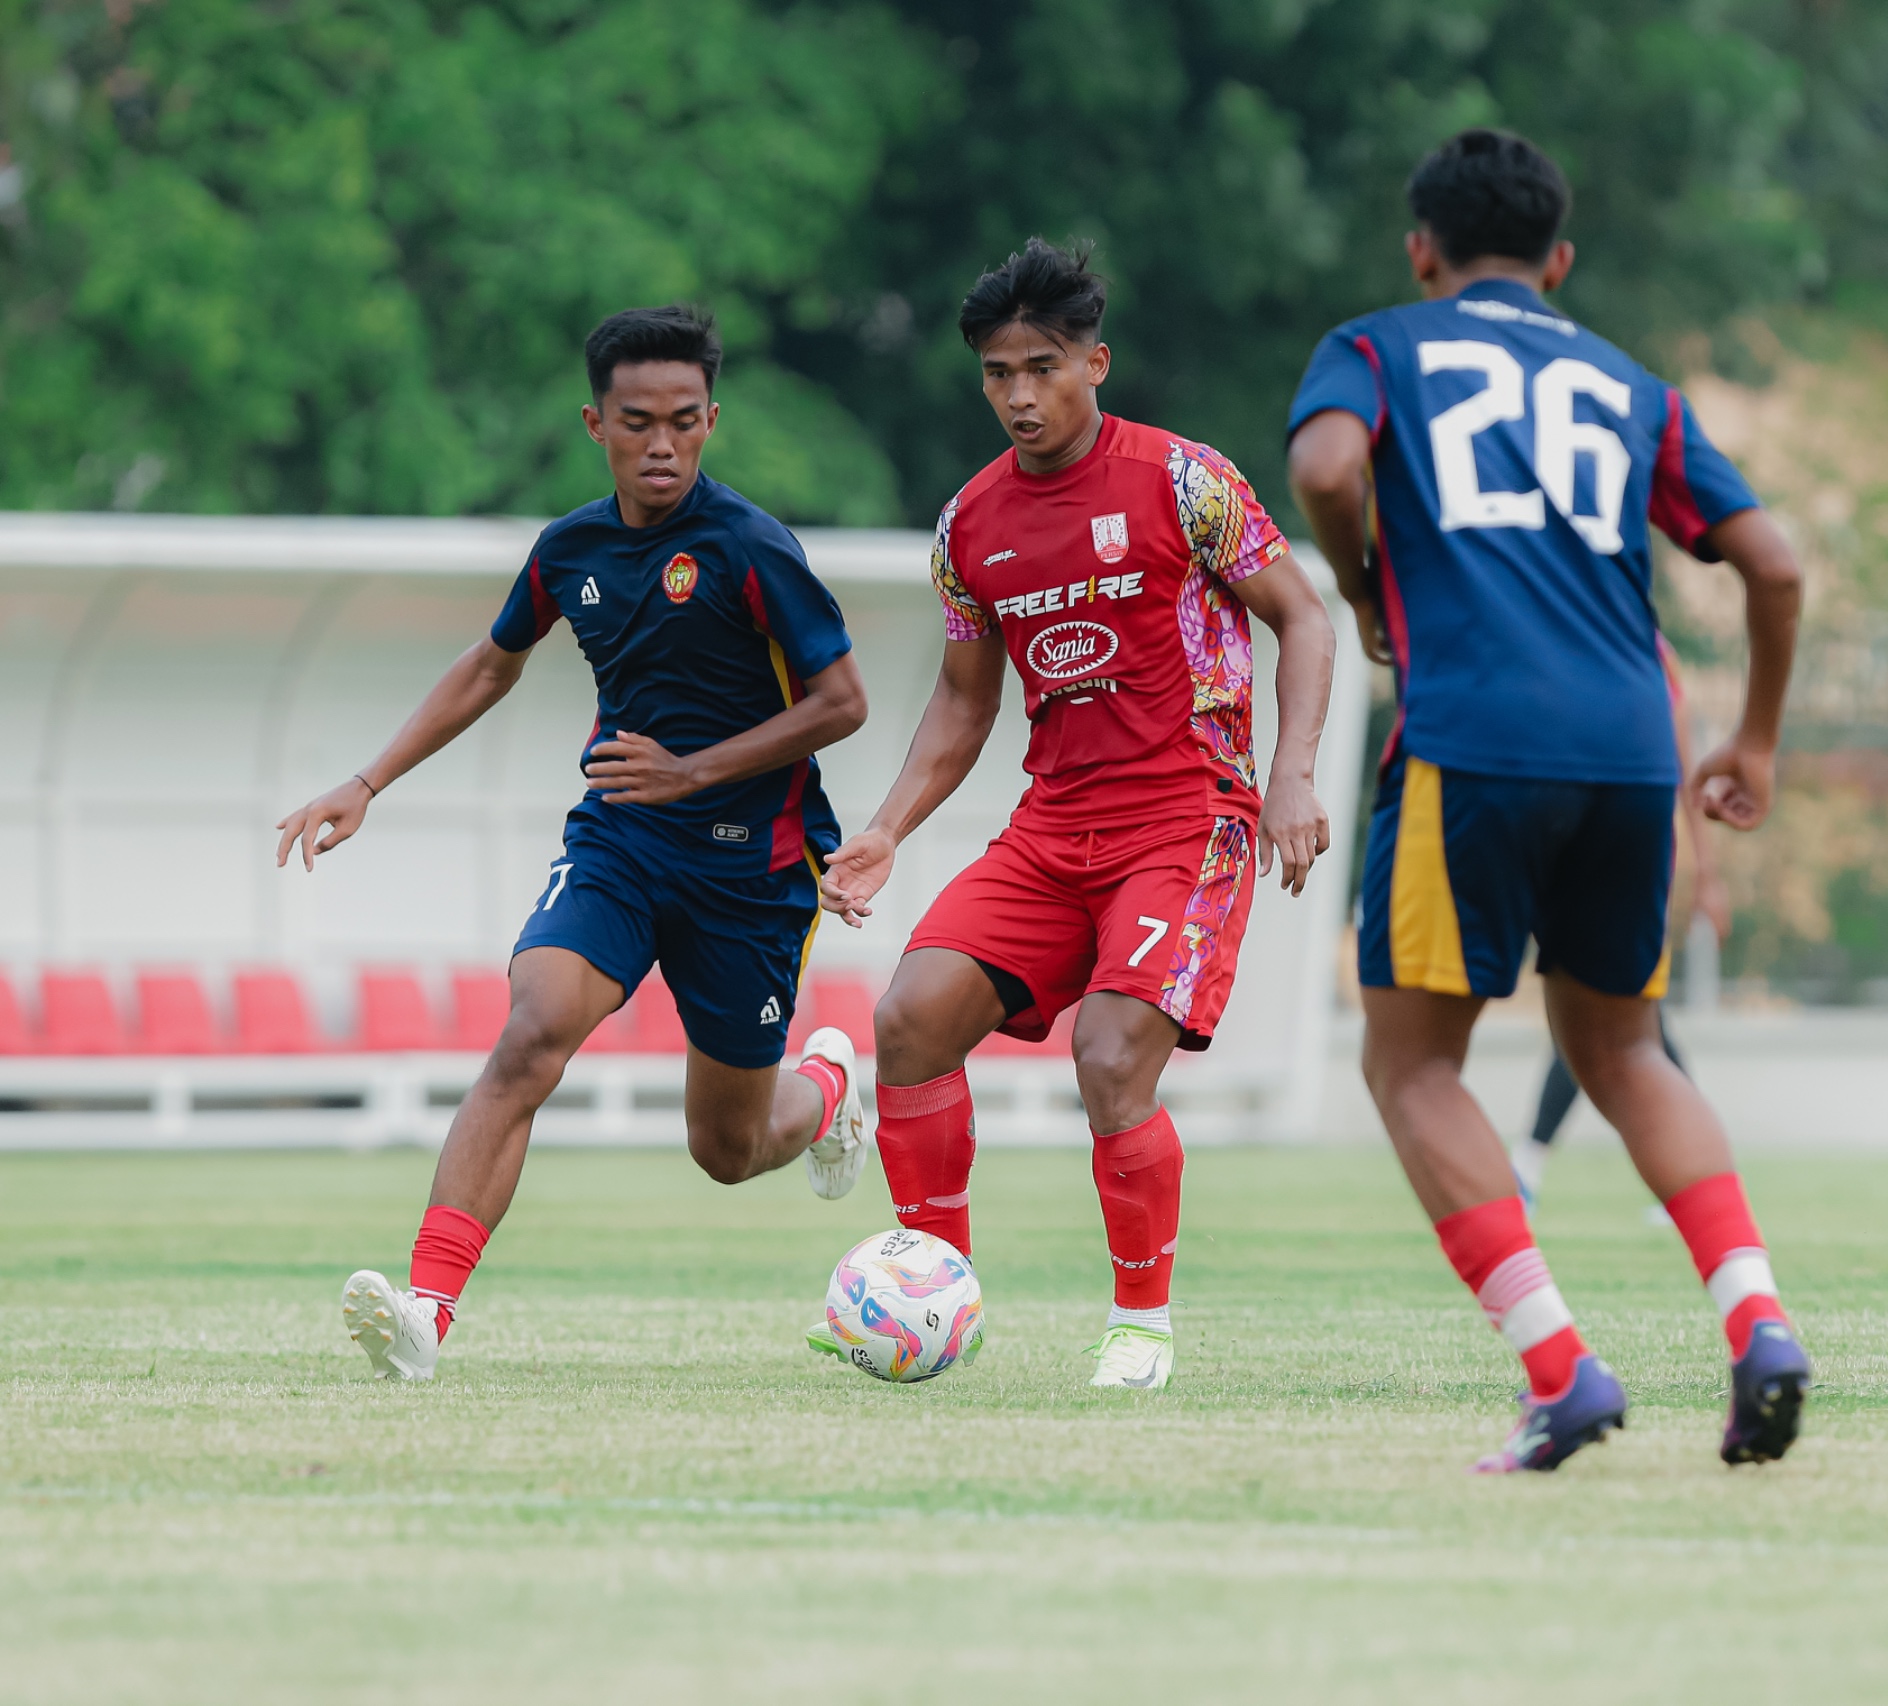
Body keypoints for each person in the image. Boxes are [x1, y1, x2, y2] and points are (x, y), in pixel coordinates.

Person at [1288, 130, 1810, 1473]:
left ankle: (1561, 1370)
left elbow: (1332, 470)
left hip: (1475, 735)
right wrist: (1751, 738)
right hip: (1636, 746)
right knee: (1625, 1048)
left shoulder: (1375, 344)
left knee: (1410, 1063)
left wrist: (1359, 587)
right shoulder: (1630, 381)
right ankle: (1757, 1323)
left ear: (1421, 250)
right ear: (1559, 261)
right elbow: (1777, 563)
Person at [279, 305, 874, 1382]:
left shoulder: (749, 547)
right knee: (531, 1031)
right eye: (638, 422)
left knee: (727, 1150)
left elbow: (842, 700)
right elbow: (489, 663)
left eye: (684, 423)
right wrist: (367, 780)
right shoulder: (569, 549)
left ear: (710, 420)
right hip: (622, 843)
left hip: (754, 864)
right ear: (594, 421)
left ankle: (827, 1087)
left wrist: (693, 770)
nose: (662, 445)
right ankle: (426, 1309)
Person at [820, 239, 1336, 1392]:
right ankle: (933, 1290)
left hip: (1185, 819)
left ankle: (1140, 1322)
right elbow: (963, 702)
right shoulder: (970, 526)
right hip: (1053, 832)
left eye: (1041, 366)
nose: (1017, 394)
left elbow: (1303, 618)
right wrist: (888, 825)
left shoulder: (1183, 480)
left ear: (1094, 362)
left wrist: (1291, 772)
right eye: (996, 372)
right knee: (907, 1018)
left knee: (1107, 1053)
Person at [1510, 633, 1726, 1216]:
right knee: (1622, 1018)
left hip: (1626, 861)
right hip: (1563, 851)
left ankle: (1531, 1169)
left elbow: (1684, 767)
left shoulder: (1647, 649)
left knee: (1606, 1013)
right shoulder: (1549, 633)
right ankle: (1695, 1169)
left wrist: (1707, 872)